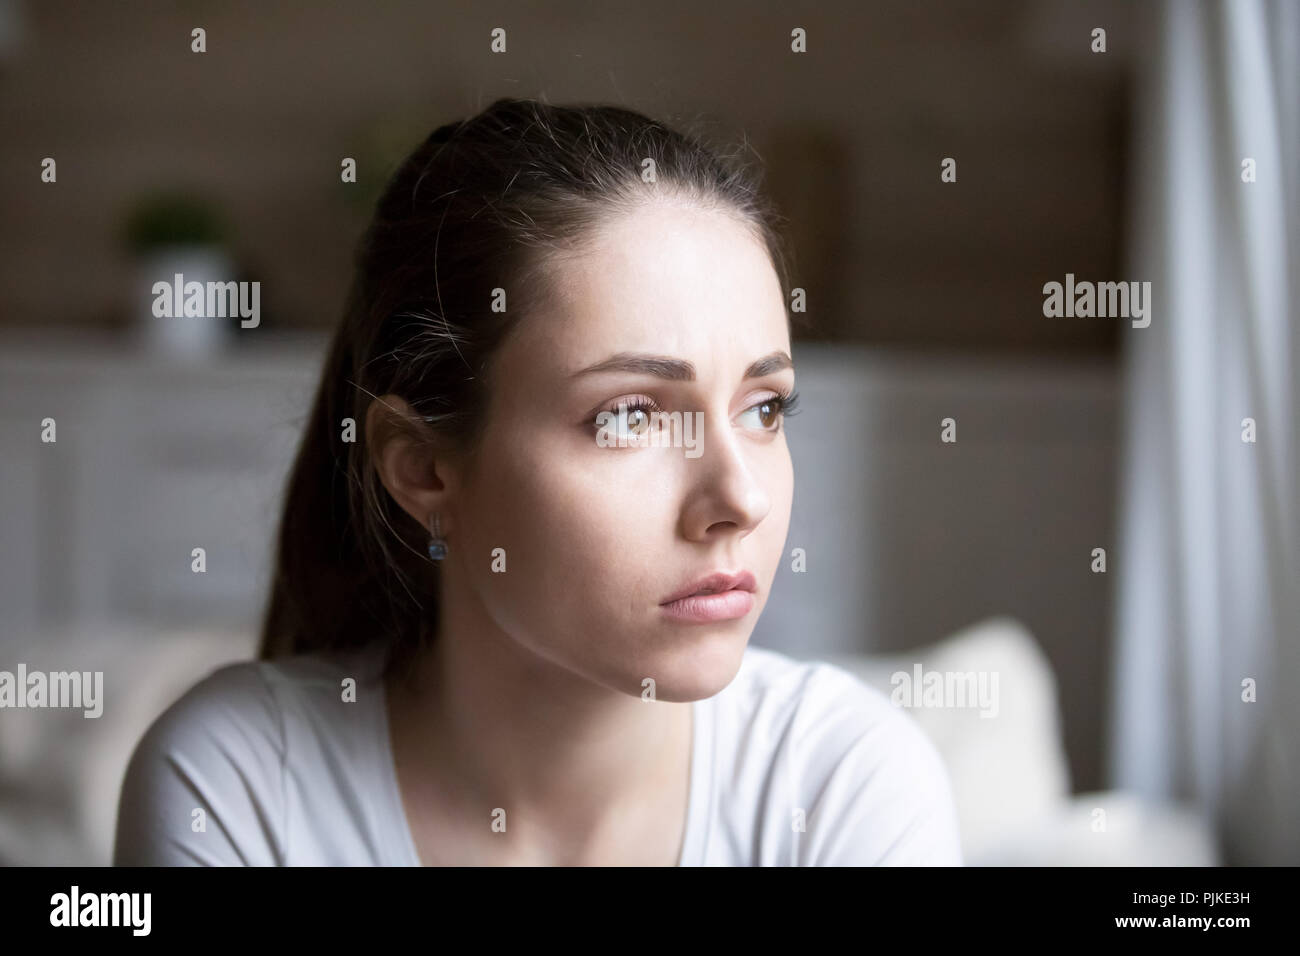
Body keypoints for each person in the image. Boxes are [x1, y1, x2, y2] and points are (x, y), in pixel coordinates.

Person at [113, 98, 963, 866]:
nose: (741, 499)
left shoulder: (848, 788)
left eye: (764, 409)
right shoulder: (237, 789)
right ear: (424, 467)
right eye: (631, 417)